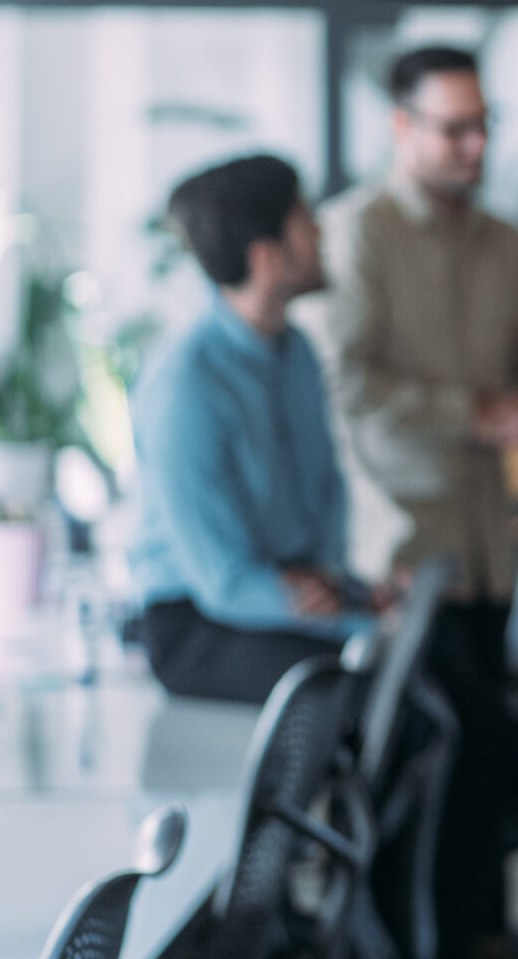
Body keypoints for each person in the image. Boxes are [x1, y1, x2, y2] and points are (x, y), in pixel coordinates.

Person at [308, 42, 518, 959]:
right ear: (401, 128)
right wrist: (480, 415)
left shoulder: (505, 244)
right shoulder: (355, 236)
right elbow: (355, 395)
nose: (473, 146)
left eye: (481, 126)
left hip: (491, 553)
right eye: (452, 129)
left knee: (488, 772)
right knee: (423, 777)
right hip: (400, 556)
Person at [130, 154, 370, 704]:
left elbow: (326, 489)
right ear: (266, 258)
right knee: (353, 689)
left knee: (419, 661)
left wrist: (343, 588)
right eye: (304, 220)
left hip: (291, 589)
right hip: (201, 619)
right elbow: (221, 581)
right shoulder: (186, 382)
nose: (320, 231)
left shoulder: (298, 353)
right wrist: (344, 617)